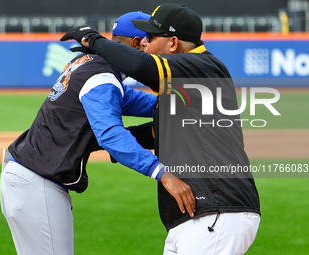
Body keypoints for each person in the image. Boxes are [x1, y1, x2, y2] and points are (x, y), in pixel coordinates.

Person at [60, 3, 261, 255]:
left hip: (217, 209)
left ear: (173, 43)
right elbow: (156, 133)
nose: (144, 44)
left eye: (151, 37)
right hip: (199, 215)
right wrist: (96, 142)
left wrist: (93, 40)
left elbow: (142, 66)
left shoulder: (202, 67)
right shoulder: (185, 84)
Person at [0, 11, 195, 255]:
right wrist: (161, 172)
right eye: (150, 39)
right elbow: (111, 135)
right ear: (137, 43)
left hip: (27, 177)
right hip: (37, 183)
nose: (152, 47)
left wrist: (184, 106)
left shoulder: (95, 66)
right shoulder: (101, 77)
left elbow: (132, 100)